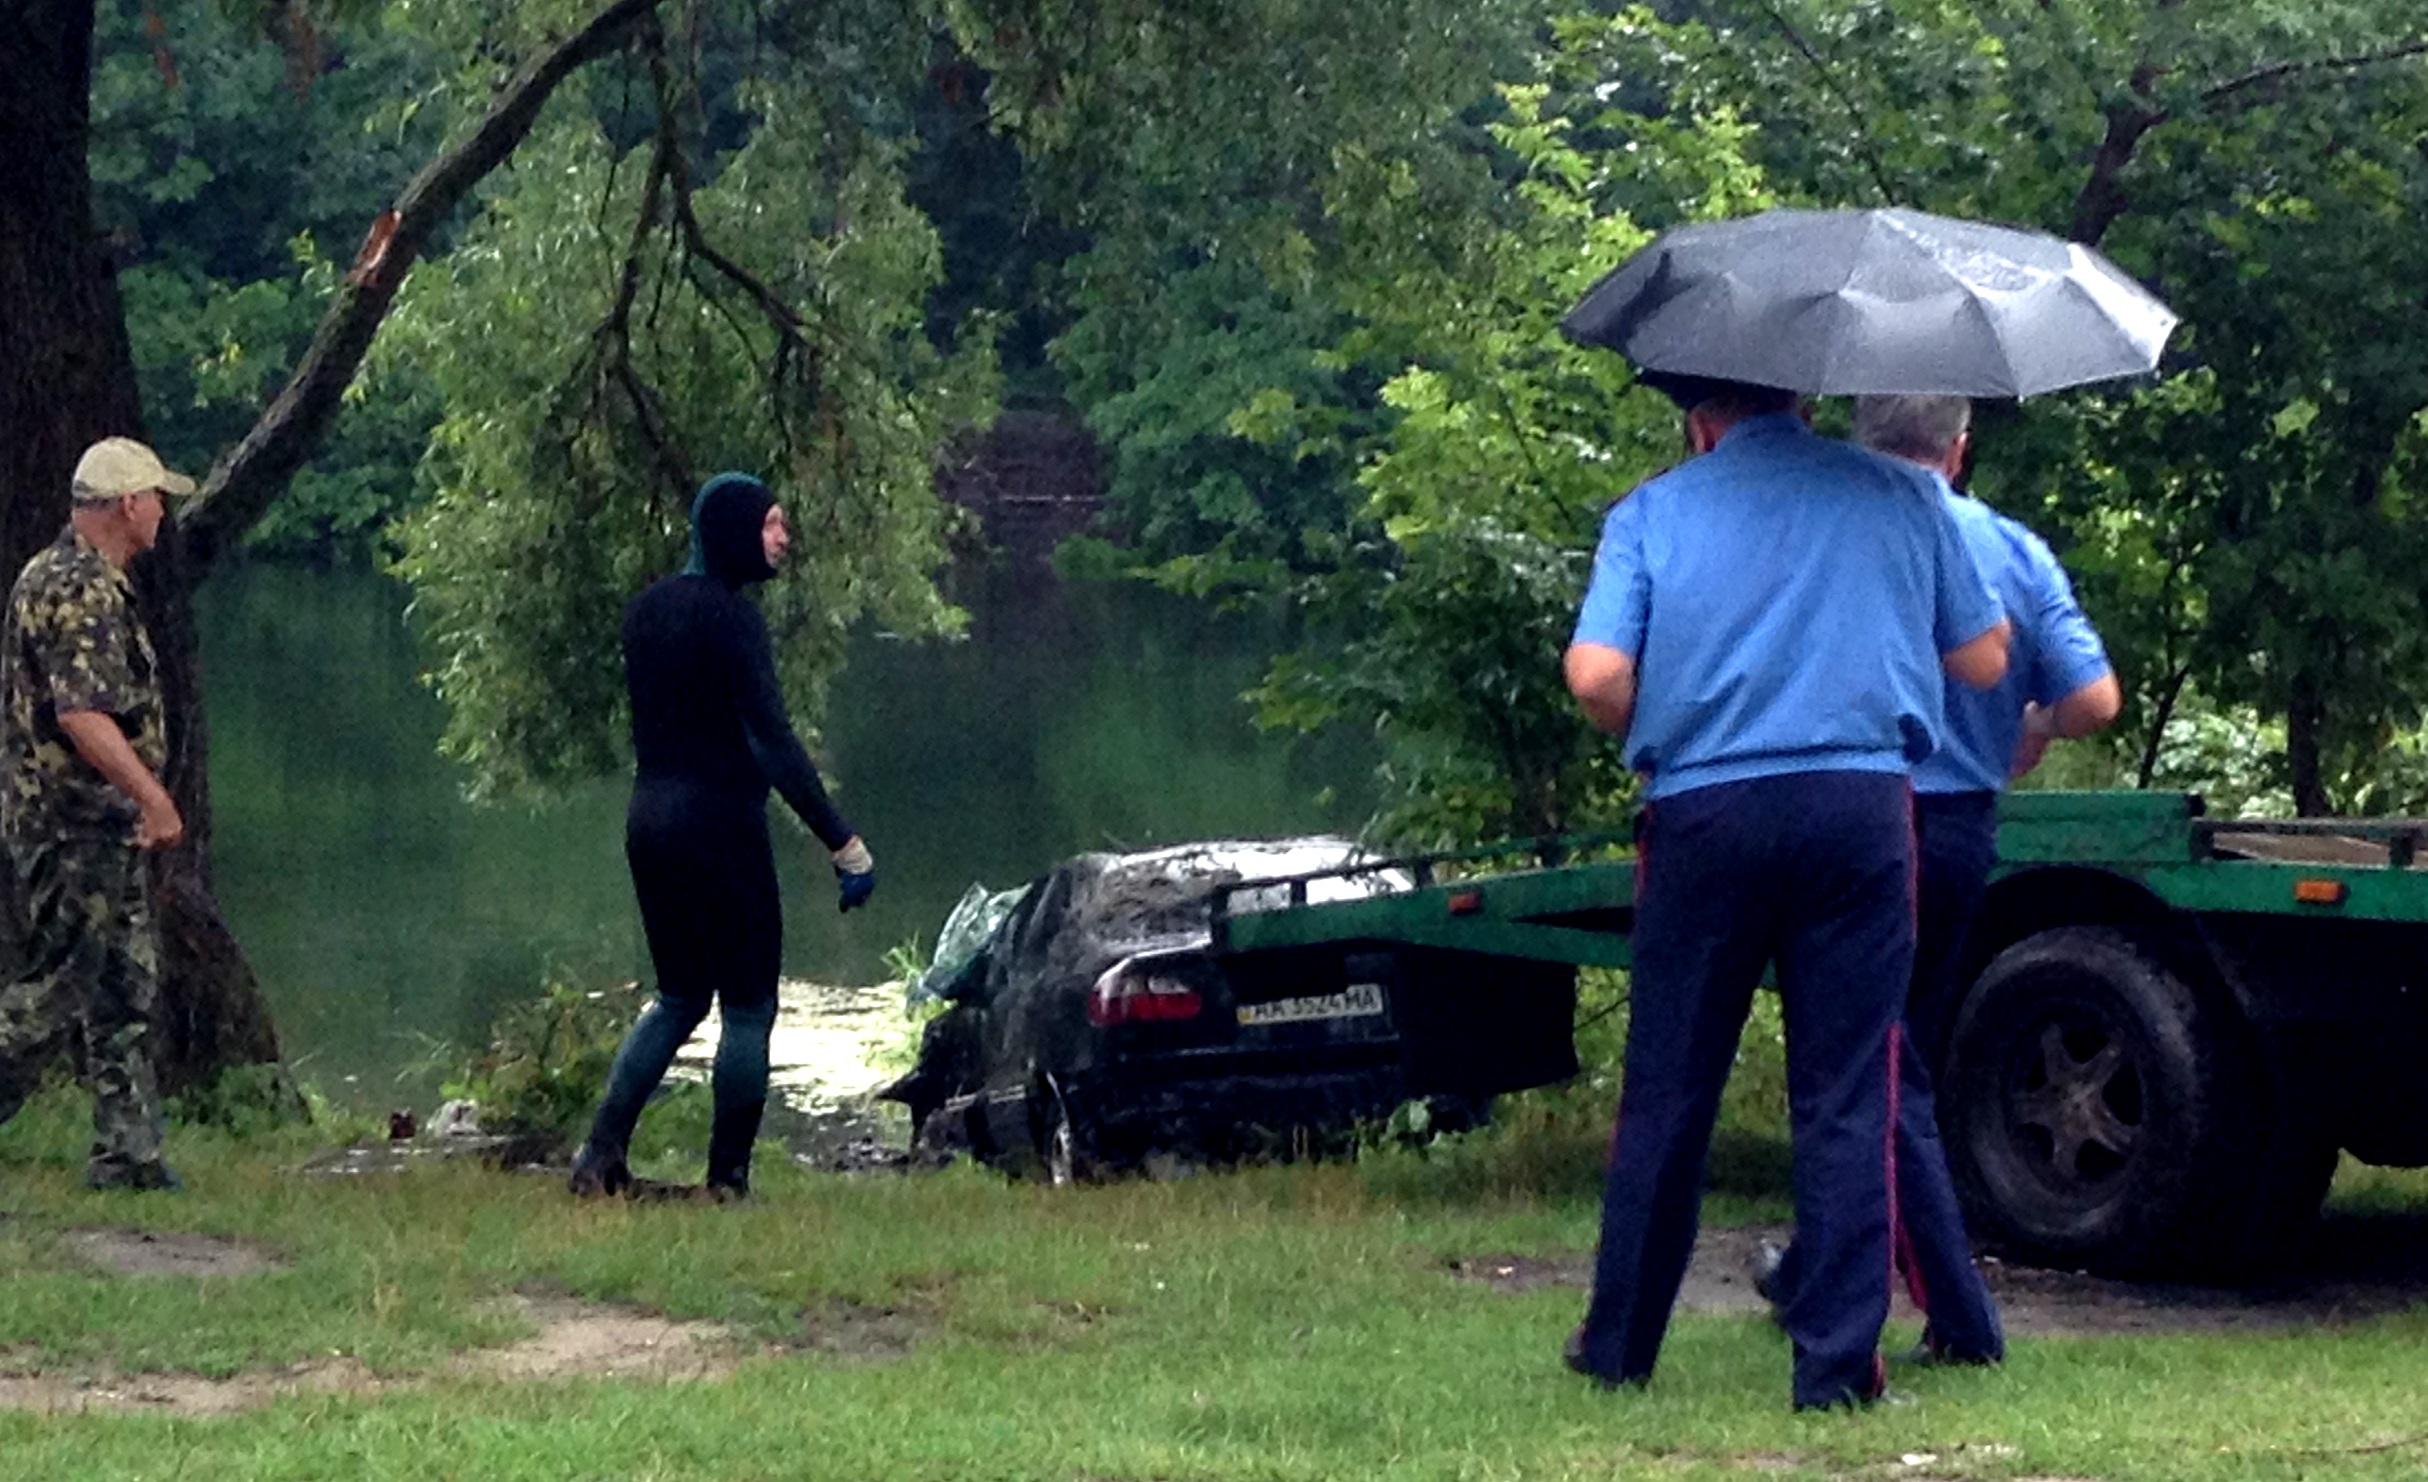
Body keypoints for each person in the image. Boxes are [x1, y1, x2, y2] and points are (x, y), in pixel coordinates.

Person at [1561, 378, 2010, 1410]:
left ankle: (1620, 1344)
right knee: (1848, 1091)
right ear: (1803, 400)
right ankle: (1839, 1370)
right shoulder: (1899, 498)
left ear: (1698, 418)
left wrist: (1665, 714)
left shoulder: (1653, 512)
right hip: (1858, 811)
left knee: (1668, 1088)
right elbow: (1982, 658)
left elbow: (1594, 678)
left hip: (1703, 814)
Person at [1754, 394, 2123, 1364]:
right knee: (1891, 1053)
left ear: (1857, 446)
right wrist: (2028, 727)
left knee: (1874, 1066)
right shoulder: (2010, 546)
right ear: (1959, 448)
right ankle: (1812, 1271)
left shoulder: (1833, 534)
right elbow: (2093, 696)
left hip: (1859, 819)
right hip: (1960, 830)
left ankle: (1958, 1315)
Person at [569, 472, 877, 1200]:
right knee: (747, 1006)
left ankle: (598, 1154)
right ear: (736, 531)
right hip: (720, 826)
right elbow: (770, 741)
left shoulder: (644, 611)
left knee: (678, 996)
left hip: (649, 822)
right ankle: (727, 1181)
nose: (783, 538)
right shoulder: (733, 619)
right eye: (772, 524)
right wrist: (843, 842)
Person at [0, 437, 194, 1191]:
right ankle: (128, 1154)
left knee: (124, 989)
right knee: (57, 990)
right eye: (156, 497)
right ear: (127, 506)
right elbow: (82, 716)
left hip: (105, 826)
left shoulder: (86, 580)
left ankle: (129, 1156)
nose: (163, 510)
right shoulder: (77, 588)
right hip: (72, 824)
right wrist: (154, 795)